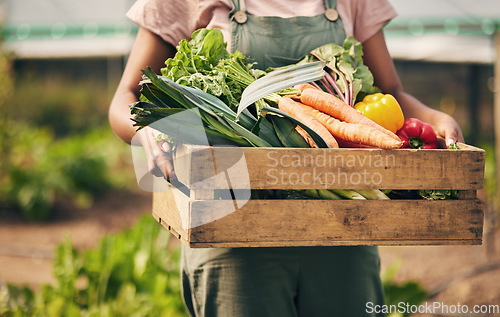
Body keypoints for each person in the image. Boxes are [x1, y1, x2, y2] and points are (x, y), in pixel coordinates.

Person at [109, 0, 465, 316]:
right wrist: (147, 133)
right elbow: (125, 96)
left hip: (344, 228)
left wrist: (437, 120)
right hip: (230, 229)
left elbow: (392, 92)